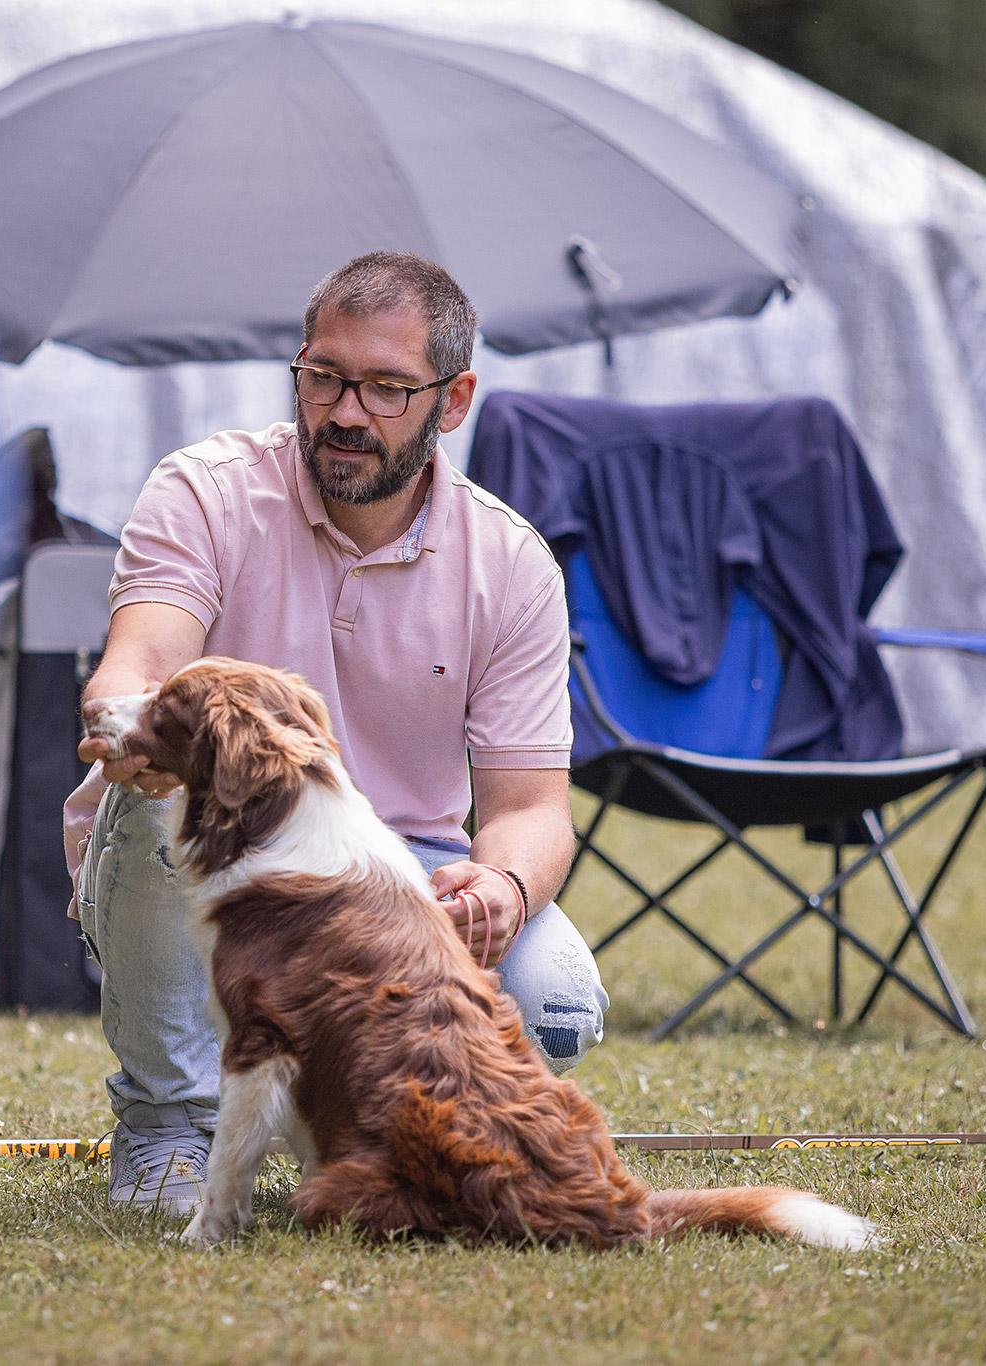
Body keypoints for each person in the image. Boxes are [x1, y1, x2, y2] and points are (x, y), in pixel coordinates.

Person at [66, 252, 606, 1213]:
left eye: (388, 388)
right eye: (325, 377)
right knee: (163, 799)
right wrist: (125, 728)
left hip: (399, 872)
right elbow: (138, 661)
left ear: (454, 400)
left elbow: (533, 810)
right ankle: (166, 1127)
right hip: (223, 854)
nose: (346, 412)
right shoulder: (206, 490)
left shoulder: (513, 564)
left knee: (555, 1002)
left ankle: (366, 1140)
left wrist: (505, 884)